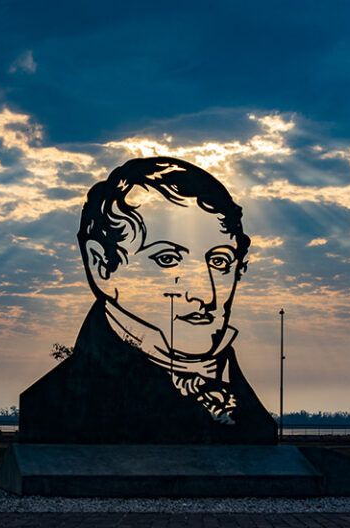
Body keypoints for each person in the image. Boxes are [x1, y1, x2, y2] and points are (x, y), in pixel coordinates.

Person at [19, 157, 277, 444]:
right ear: (101, 265)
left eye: (219, 262)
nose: (205, 294)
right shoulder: (59, 404)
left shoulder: (248, 407)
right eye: (168, 259)